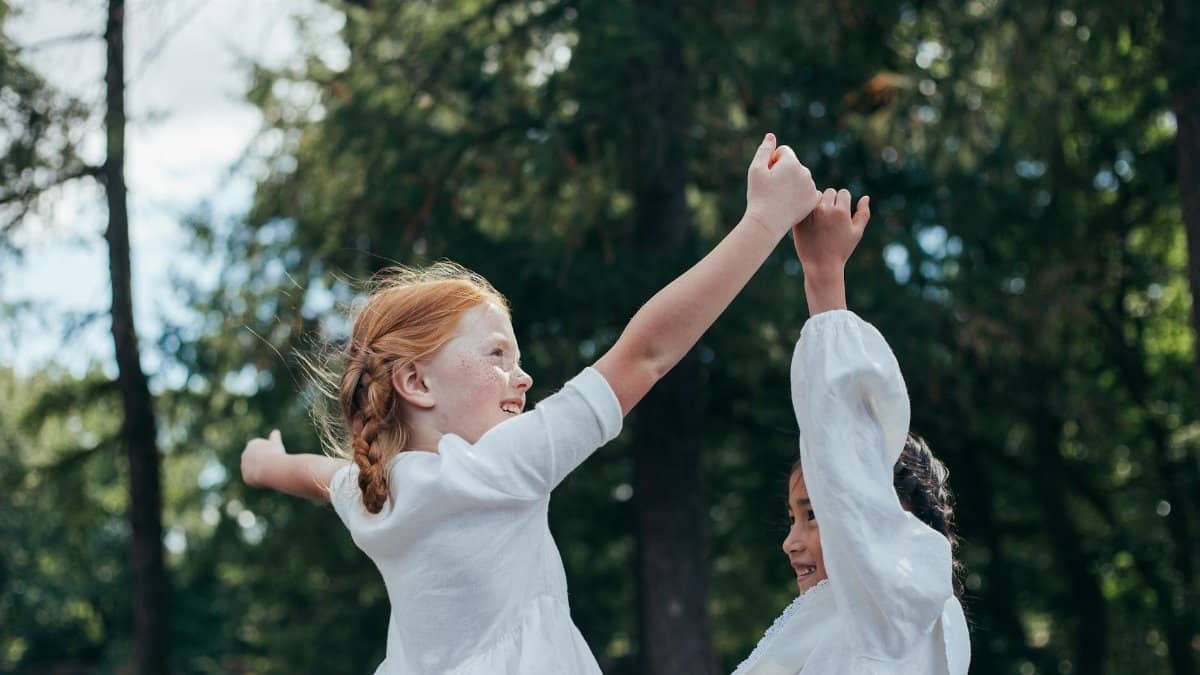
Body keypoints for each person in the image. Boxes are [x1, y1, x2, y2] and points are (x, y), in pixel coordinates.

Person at [240, 133, 821, 674]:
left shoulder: (375, 493)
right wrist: (764, 221)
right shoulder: (500, 467)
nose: (523, 378)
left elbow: (315, 474)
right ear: (416, 382)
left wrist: (263, 465)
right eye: (497, 354)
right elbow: (647, 353)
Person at [732, 188, 970, 674]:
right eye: (794, 519)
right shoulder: (840, 623)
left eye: (814, 513)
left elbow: (842, 450)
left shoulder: (896, 606)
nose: (791, 541)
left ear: (889, 513)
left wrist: (824, 276)